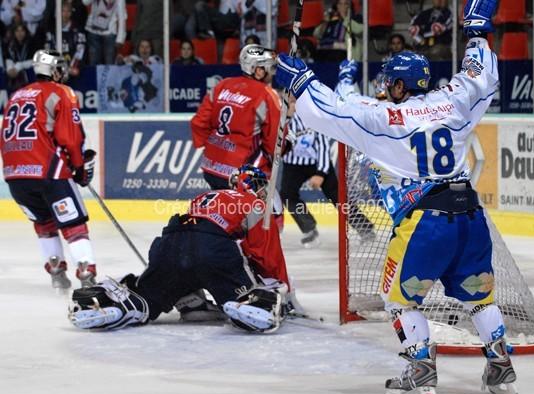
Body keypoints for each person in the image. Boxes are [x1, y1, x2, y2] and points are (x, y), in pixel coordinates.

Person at [275, 0, 517, 394]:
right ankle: (500, 367)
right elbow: (481, 79)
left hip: (426, 224)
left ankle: (420, 374)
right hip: (471, 218)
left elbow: (335, 112)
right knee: (479, 296)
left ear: (401, 86)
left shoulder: (384, 118)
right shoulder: (454, 102)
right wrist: (476, 31)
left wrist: (301, 82)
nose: (385, 88)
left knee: (399, 300)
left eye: (390, 83)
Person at [68, 165, 296, 333]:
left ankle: (122, 303)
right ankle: (250, 305)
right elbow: (265, 255)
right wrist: (284, 292)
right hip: (211, 248)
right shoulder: (255, 204)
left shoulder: (206, 196)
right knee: (245, 298)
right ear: (257, 186)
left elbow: (190, 243)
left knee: (148, 298)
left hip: (169, 244)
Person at [0, 49, 98, 291]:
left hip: (15, 176)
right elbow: (71, 138)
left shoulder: (16, 96)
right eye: (59, 67)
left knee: (44, 224)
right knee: (73, 224)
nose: (62, 72)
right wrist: (79, 167)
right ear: (52, 69)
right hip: (49, 173)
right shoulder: (61, 92)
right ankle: (86, 274)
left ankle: (57, 274)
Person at [281, 100, 374, 247]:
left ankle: (365, 229)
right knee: (286, 194)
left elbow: (323, 145)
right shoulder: (281, 116)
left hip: (318, 162)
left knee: (337, 196)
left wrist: (321, 173)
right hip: (292, 164)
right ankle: (309, 229)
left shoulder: (312, 114)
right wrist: (286, 117)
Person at [191, 43, 280, 190]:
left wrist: (214, 146)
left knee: (222, 203)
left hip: (211, 167)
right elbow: (274, 141)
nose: (272, 74)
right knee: (264, 204)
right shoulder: (266, 94)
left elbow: (198, 123)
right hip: (241, 173)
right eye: (270, 68)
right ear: (258, 71)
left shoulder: (222, 85)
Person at [44, 1, 86, 79]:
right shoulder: (52, 29)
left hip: (71, 65)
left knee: (75, 72)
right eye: (63, 11)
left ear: (71, 13)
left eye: (68, 11)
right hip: (55, 65)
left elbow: (80, 50)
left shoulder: (77, 29)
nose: (65, 14)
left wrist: (71, 67)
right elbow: (48, 48)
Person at [82, 0, 126, 65]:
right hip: (94, 32)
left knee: (109, 63)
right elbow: (85, 2)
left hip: (110, 33)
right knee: (93, 63)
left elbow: (121, 17)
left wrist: (120, 39)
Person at [3, 23, 37, 94]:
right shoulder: (10, 44)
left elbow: (34, 60)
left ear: (25, 32)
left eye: (22, 31)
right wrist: (10, 68)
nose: (19, 33)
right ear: (14, 32)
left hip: (28, 73)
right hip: (14, 73)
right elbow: (8, 58)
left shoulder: (31, 43)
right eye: (17, 31)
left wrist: (19, 66)